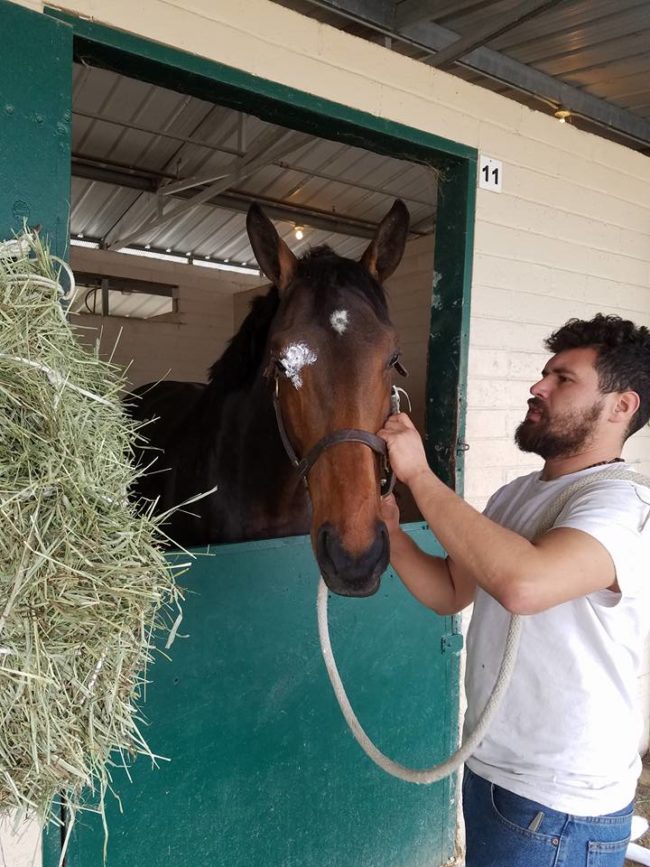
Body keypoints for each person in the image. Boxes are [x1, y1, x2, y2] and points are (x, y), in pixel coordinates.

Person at [378, 313, 650, 867]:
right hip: (495, 774)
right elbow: (450, 591)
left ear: (622, 406)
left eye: (563, 379)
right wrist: (391, 535)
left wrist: (420, 477)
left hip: (560, 805)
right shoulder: (515, 494)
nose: (537, 386)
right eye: (545, 373)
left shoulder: (625, 505)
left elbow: (524, 584)